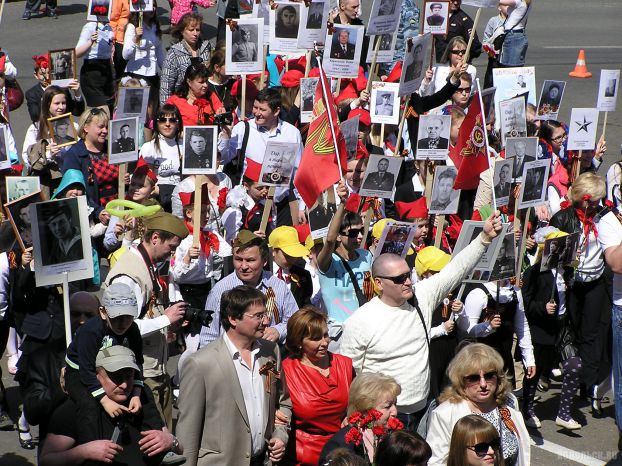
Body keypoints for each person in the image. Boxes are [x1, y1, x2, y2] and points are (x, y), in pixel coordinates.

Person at [340, 212, 503, 432]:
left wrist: (484, 238)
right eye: (398, 279)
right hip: (383, 418)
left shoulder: (421, 296)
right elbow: (348, 376)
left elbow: (455, 271)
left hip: (424, 410)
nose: (407, 282)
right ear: (378, 283)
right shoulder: (360, 321)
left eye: (407, 275)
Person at [176, 286, 291, 466]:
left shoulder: (271, 351)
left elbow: (282, 402)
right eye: (258, 316)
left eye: (265, 315)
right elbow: (187, 430)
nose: (267, 321)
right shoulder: (200, 363)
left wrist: (280, 434)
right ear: (233, 318)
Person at [105, 211, 190, 430]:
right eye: (170, 247)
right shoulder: (128, 274)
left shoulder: (146, 263)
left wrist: (170, 321)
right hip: (141, 373)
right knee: (154, 438)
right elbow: (122, 327)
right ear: (155, 238)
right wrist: (165, 319)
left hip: (156, 367)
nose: (172, 254)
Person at [39, 346, 184, 466]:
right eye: (116, 377)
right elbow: (46, 460)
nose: (125, 385)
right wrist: (83, 451)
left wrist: (171, 441)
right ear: (96, 376)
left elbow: (179, 449)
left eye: (129, 376)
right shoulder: (76, 407)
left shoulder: (142, 400)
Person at [550, 173, 611, 416]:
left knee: (591, 333)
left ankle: (589, 384)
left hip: (596, 282)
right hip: (572, 283)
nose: (597, 205)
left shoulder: (605, 218)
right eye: (593, 200)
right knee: (572, 330)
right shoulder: (563, 218)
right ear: (581, 199)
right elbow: (548, 249)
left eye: (599, 200)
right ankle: (570, 376)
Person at [63, 282, 144, 443]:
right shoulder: (90, 331)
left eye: (127, 317)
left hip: (113, 370)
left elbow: (138, 362)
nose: (122, 323)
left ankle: (156, 442)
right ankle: (92, 447)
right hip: (80, 371)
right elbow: (86, 370)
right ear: (103, 312)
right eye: (116, 317)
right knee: (88, 404)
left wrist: (136, 394)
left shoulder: (133, 330)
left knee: (144, 396)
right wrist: (105, 401)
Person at [426, 343, 530, 466]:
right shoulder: (445, 414)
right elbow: (436, 462)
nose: (483, 384)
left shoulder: (509, 402)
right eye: (474, 378)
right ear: (460, 381)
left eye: (489, 375)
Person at [521, 228, 584, 430]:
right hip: (542, 330)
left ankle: (564, 414)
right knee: (534, 372)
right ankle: (528, 410)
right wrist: (542, 307)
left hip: (563, 327)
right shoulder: (534, 272)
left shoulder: (568, 271)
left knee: (574, 365)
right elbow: (525, 303)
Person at [17, 292, 99, 444]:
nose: (82, 321)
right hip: (58, 447)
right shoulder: (43, 358)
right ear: (65, 316)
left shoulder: (109, 352)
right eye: (75, 314)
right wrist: (59, 388)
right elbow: (32, 412)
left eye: (89, 315)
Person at [219, 87, 304, 226]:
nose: (256, 113)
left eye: (262, 110)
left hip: (281, 205)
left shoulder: (292, 133)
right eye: (255, 107)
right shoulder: (243, 128)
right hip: (251, 205)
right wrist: (226, 136)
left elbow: (299, 171)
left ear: (276, 111)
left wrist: (301, 206)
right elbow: (223, 158)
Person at [281, 306, 354, 465]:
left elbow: (358, 402)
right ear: (299, 342)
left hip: (343, 451)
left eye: (326, 335)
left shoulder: (345, 365)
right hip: (303, 456)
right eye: (315, 338)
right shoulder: (285, 372)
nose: (324, 342)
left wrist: (352, 415)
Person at [199, 230, 298, 347]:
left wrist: (278, 331)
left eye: (250, 260)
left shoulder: (278, 286)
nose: (244, 266)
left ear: (264, 261)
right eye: (238, 259)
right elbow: (208, 336)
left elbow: (295, 322)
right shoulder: (220, 290)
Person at [317, 181, 373, 350]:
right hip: (340, 335)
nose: (359, 236)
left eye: (362, 231)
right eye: (353, 233)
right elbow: (329, 240)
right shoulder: (328, 262)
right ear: (340, 237)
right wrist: (342, 204)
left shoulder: (366, 256)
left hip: (366, 331)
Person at [319, 373, 403, 464]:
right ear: (365, 409)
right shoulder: (341, 445)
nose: (395, 412)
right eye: (388, 406)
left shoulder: (393, 436)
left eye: (395, 404)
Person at [62, 108, 117, 223]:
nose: (105, 131)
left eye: (107, 127)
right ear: (86, 128)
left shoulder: (112, 148)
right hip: (94, 216)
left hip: (119, 208)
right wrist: (98, 211)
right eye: (101, 127)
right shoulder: (74, 155)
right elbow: (75, 193)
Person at [160, 13, 213, 104]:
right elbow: (166, 87)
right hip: (182, 102)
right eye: (191, 30)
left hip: (205, 102)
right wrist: (166, 112)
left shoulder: (206, 47)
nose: (195, 33)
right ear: (182, 31)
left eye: (197, 30)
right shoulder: (174, 53)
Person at [140, 104, 184, 212]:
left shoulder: (185, 145)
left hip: (182, 198)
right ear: (157, 123)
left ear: (178, 124)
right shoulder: (148, 147)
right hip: (158, 200)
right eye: (163, 120)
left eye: (172, 120)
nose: (167, 124)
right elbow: (144, 179)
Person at [268, 226, 313, 308]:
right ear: (273, 251)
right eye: (287, 255)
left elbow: (306, 306)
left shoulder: (303, 275)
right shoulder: (261, 272)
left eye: (294, 254)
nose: (292, 260)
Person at [75, 19, 115, 108]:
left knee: (110, 109)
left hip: (106, 72)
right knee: (103, 111)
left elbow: (109, 54)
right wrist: (90, 41)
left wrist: (113, 72)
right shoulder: (90, 26)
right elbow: (77, 53)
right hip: (92, 72)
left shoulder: (109, 28)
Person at [498, 0, 531, 67]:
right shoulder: (527, 4)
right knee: (516, 66)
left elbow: (501, 1)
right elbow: (509, 12)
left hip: (513, 35)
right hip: (520, 34)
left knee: (509, 66)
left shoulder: (518, 1)